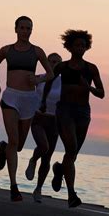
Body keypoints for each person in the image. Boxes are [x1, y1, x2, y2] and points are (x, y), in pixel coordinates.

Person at [0, 16, 54, 201]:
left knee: (18, 146)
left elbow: (50, 74)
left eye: (29, 28)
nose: (26, 31)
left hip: (29, 100)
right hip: (11, 97)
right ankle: (13, 186)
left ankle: (4, 149)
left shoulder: (37, 51)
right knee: (13, 139)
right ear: (16, 29)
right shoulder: (6, 50)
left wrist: (38, 79)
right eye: (23, 27)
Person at [42, 29, 105, 207]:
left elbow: (101, 93)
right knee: (71, 148)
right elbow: (48, 83)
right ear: (69, 47)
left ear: (87, 48)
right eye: (77, 45)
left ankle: (60, 169)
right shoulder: (62, 67)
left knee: (73, 154)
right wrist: (43, 102)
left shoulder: (91, 69)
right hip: (65, 111)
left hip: (83, 112)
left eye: (83, 46)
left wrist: (89, 88)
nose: (80, 48)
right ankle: (71, 194)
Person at [25, 52, 63, 203]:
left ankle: (38, 189)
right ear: (46, 62)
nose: (54, 64)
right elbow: (25, 86)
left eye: (57, 62)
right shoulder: (40, 78)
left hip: (54, 122)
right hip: (38, 118)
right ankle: (33, 159)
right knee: (43, 146)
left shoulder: (63, 82)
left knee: (47, 158)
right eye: (51, 61)